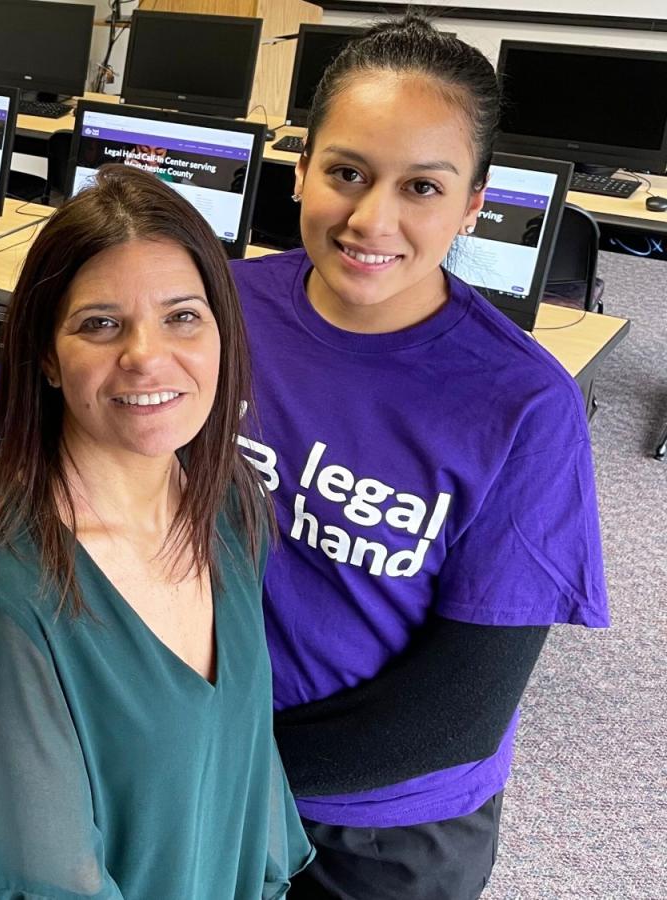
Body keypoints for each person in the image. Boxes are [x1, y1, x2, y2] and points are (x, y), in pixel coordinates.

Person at [230, 16, 609, 899]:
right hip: (210, 746)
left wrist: (210, 764)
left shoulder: (523, 406)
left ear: (475, 205)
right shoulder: (223, 307)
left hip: (384, 825)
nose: (372, 218)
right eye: (347, 172)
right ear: (301, 169)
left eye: (423, 188)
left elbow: (458, 713)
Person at [0, 165, 313, 899]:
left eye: (182, 316)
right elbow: (50, 883)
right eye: (100, 323)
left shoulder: (231, 505)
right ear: (45, 354)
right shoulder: (10, 586)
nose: (145, 355)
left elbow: (244, 757)